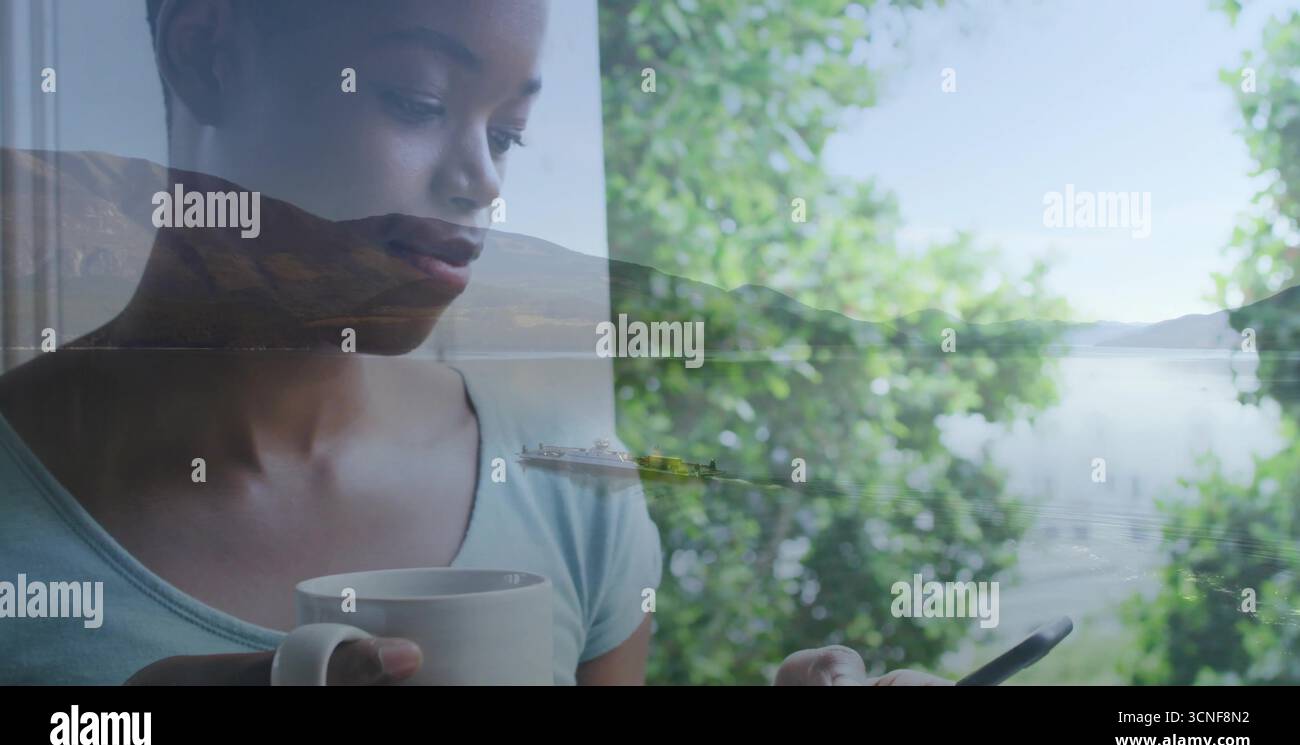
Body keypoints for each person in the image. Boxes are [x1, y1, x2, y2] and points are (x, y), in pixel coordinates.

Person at [0, 0, 947, 687]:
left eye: (510, 134)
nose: (483, 181)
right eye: (418, 101)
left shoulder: (576, 498)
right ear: (206, 53)